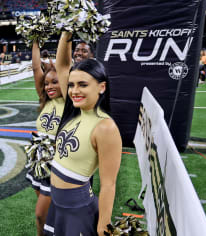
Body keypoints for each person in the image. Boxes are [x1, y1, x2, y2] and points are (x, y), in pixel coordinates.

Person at [43, 32, 122, 236]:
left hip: (78, 210)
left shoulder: (106, 127)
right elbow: (61, 66)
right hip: (57, 202)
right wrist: (67, 32)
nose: (74, 91)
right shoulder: (76, 109)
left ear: (102, 87)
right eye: (71, 85)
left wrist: (104, 226)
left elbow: (109, 184)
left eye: (83, 85)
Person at [25, 39, 69, 236]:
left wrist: (65, 35)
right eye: (47, 83)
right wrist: (35, 40)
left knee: (41, 214)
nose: (49, 86)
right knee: (45, 213)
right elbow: (36, 68)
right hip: (39, 159)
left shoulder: (70, 102)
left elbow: (64, 65)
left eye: (55, 82)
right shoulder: (44, 100)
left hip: (57, 163)